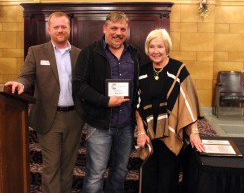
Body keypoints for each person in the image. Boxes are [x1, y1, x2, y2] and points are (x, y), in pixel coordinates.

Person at [5, 12, 83, 193]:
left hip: (74, 118)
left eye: (64, 26)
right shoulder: (36, 51)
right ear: (49, 29)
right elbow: (26, 77)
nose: (60, 30)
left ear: (69, 29)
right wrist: (20, 84)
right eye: (56, 27)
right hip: (49, 117)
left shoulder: (80, 54)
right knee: (51, 167)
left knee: (67, 166)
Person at [72, 11, 141, 193]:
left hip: (126, 126)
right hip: (99, 125)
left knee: (120, 171)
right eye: (114, 28)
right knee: (95, 174)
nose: (118, 32)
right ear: (105, 28)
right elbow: (79, 85)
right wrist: (105, 101)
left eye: (122, 29)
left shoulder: (133, 54)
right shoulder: (90, 52)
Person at [135, 29, 206, 193]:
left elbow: (190, 102)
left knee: (168, 179)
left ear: (167, 48)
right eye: (152, 46)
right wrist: (140, 132)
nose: (156, 51)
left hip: (172, 133)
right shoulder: (143, 71)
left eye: (160, 46)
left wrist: (194, 132)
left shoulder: (179, 69)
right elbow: (138, 106)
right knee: (149, 178)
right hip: (149, 135)